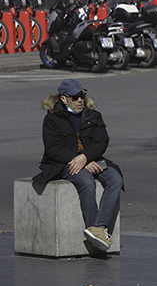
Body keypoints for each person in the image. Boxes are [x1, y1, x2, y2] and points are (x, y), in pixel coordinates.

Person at [33, 79, 124, 252]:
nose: (79, 100)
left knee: (116, 179)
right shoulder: (52, 119)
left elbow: (101, 141)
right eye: (74, 97)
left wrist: (86, 158)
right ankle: (93, 227)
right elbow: (53, 150)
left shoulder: (93, 115)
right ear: (63, 99)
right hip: (64, 163)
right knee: (86, 181)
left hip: (90, 159)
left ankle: (98, 228)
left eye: (81, 95)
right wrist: (80, 160)